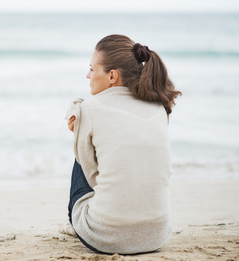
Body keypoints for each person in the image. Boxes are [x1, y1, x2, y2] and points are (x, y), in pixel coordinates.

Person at [65, 34, 181, 255]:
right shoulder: (157, 107)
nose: (87, 75)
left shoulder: (89, 109)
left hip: (105, 236)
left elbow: (92, 176)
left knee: (80, 149)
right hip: (157, 234)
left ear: (112, 76)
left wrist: (76, 123)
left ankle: (81, 221)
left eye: (92, 68)